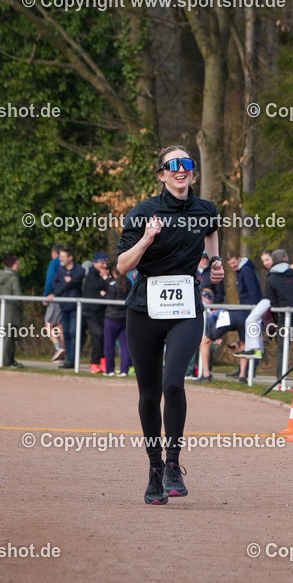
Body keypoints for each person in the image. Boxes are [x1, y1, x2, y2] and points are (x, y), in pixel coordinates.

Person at [117, 144, 223, 504]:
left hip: (185, 306)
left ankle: (173, 465)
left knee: (173, 383)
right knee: (149, 393)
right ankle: (153, 468)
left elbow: (211, 231)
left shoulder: (205, 209)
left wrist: (215, 259)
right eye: (173, 165)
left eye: (187, 164)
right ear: (161, 174)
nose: (182, 170)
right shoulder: (144, 212)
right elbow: (122, 266)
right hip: (144, 308)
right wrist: (147, 238)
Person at [196, 288, 247, 382]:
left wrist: (214, 337)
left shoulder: (212, 311)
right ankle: (242, 376)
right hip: (242, 315)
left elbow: (211, 322)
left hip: (227, 317)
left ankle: (206, 374)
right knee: (244, 344)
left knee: (205, 343)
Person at [47, 247, 84, 369]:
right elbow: (55, 283)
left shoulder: (79, 269)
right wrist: (66, 284)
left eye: (63, 257)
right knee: (66, 333)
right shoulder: (59, 269)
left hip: (75, 307)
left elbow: (74, 283)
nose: (61, 259)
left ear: (70, 257)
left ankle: (74, 360)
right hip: (63, 306)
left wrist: (67, 284)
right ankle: (69, 360)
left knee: (74, 332)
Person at [0, 254, 24, 368]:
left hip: (2, 311)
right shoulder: (13, 278)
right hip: (12, 312)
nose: (18, 265)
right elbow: (18, 295)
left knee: (2, 337)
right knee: (9, 339)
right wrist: (19, 306)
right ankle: (6, 362)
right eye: (16, 263)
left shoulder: (0, 277)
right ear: (11, 265)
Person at [82, 252, 111, 373]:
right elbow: (97, 290)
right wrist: (102, 290)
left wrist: (106, 280)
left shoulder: (104, 275)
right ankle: (94, 362)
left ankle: (103, 361)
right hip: (90, 311)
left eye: (105, 263)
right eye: (102, 263)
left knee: (104, 336)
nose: (104, 265)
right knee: (98, 334)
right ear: (96, 262)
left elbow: (110, 289)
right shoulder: (91, 273)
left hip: (102, 310)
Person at [102, 263, 131, 377]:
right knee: (125, 345)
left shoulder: (113, 284)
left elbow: (110, 298)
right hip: (124, 317)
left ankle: (110, 370)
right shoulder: (128, 283)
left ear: (114, 273)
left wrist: (104, 294)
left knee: (109, 344)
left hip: (111, 318)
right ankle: (124, 370)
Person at [43, 243, 65, 361]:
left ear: (54, 253)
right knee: (60, 326)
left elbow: (50, 278)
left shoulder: (55, 262)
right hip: (65, 296)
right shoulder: (66, 263)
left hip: (55, 296)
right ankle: (62, 352)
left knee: (48, 324)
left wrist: (47, 293)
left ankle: (58, 347)